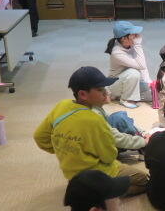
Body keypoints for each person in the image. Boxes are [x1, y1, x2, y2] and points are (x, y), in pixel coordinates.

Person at [34, 66, 148, 195]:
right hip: (98, 172)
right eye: (100, 90)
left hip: (71, 174)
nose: (105, 92)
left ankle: (88, 188)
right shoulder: (95, 120)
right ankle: (98, 192)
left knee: (117, 118)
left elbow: (39, 137)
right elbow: (109, 156)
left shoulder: (62, 105)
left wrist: (64, 149)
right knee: (143, 180)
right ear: (83, 94)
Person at [106, 21, 152, 109]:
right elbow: (141, 65)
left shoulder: (130, 45)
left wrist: (148, 81)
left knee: (154, 93)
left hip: (129, 81)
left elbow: (143, 65)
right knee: (134, 73)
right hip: (115, 86)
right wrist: (138, 45)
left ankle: (129, 94)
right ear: (124, 38)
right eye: (133, 34)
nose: (136, 36)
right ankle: (125, 99)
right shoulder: (117, 53)